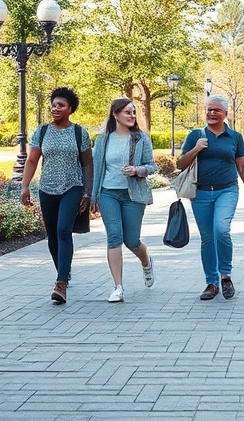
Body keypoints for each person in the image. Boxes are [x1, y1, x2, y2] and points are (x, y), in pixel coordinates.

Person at [177, 95, 244, 301]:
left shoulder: (234, 137)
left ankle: (225, 276)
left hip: (226, 190)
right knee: (207, 238)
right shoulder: (196, 135)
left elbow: (242, 166)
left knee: (221, 229)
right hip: (200, 193)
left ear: (225, 114)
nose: (211, 113)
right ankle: (211, 283)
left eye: (216, 110)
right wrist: (196, 149)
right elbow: (180, 164)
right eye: (209, 109)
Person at [21, 87, 94, 304]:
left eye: (60, 105)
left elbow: (87, 164)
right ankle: (64, 271)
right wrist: (25, 186)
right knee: (52, 235)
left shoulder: (79, 133)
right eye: (53, 105)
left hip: (72, 187)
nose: (55, 108)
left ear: (70, 109)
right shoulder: (42, 132)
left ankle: (60, 283)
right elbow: (32, 160)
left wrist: (87, 192)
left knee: (63, 230)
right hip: (47, 189)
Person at [90, 97, 157, 303]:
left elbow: (152, 166)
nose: (132, 115)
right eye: (128, 112)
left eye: (133, 112)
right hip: (108, 193)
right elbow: (97, 169)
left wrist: (137, 170)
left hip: (132, 195)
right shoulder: (103, 140)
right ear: (115, 114)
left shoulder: (141, 138)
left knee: (132, 241)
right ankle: (118, 287)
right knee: (114, 237)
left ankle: (146, 262)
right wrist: (93, 196)